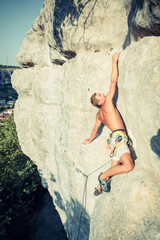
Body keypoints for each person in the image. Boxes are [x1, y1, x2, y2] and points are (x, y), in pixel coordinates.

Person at [83, 52, 134, 196]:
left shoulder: (99, 115)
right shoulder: (107, 103)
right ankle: (101, 177)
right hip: (119, 138)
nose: (102, 93)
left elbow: (95, 129)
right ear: (99, 102)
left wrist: (89, 140)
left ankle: (99, 187)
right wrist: (114, 61)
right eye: (100, 95)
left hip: (113, 142)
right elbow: (113, 81)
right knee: (128, 166)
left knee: (115, 168)